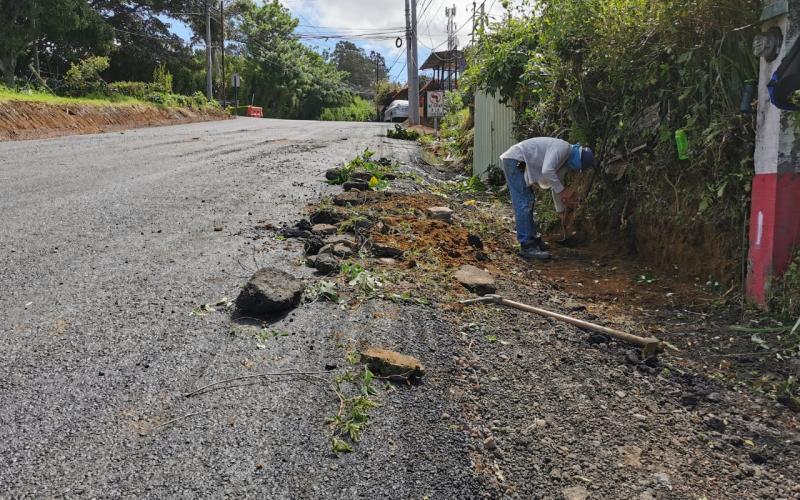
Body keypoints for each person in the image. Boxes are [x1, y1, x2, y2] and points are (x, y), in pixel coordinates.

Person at [500, 137, 595, 260]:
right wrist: (563, 191)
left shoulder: (563, 161)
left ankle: (533, 240)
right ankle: (527, 246)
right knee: (524, 201)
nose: (577, 170)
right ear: (579, 161)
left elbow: (556, 187)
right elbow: (547, 171)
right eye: (580, 167)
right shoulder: (563, 148)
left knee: (528, 199)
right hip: (515, 160)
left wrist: (561, 211)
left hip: (518, 161)